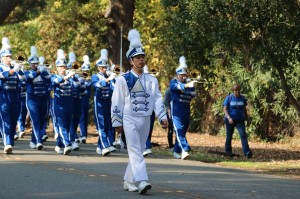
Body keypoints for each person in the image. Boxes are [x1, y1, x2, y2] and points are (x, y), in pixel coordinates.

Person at [111, 29, 168, 194]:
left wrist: (162, 116)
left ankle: (128, 180)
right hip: (129, 118)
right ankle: (142, 180)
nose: (141, 60)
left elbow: (157, 99)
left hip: (146, 119)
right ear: (131, 61)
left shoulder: (151, 80)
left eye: (143, 57)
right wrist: (117, 122)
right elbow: (117, 102)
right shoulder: (123, 80)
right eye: (138, 58)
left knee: (138, 150)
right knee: (135, 150)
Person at [51, 49, 80, 155]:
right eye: (61, 67)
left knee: (67, 126)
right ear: (57, 68)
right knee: (62, 125)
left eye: (64, 67)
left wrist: (75, 77)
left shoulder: (70, 78)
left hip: (69, 104)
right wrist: (66, 76)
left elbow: (77, 87)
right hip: (59, 104)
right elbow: (56, 82)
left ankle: (59, 145)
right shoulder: (54, 76)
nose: (63, 69)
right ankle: (67, 144)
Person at [0, 37, 25, 154]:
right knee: (6, 121)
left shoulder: (15, 68)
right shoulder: (1, 67)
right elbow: (3, 76)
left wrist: (19, 70)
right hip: (3, 97)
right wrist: (14, 69)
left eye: (10, 56)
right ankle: (7, 143)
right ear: (2, 57)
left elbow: (23, 80)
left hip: (15, 96)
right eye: (7, 57)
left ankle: (10, 142)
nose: (9, 58)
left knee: (13, 120)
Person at [24, 46, 51, 150]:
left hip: (43, 99)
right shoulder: (28, 72)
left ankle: (33, 140)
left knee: (41, 120)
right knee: (35, 119)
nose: (35, 65)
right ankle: (39, 141)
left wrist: (46, 72)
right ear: (30, 64)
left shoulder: (42, 72)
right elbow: (29, 78)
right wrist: (39, 72)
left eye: (36, 63)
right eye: (33, 63)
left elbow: (50, 81)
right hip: (32, 99)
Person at [170, 56, 197, 160]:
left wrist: (192, 85)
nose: (183, 77)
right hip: (176, 111)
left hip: (186, 111)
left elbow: (194, 95)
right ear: (177, 75)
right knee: (179, 130)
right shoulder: (174, 82)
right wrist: (186, 85)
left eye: (185, 75)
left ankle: (176, 151)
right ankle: (185, 150)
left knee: (182, 131)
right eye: (181, 75)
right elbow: (177, 87)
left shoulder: (188, 83)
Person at [92, 49, 117, 156]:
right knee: (101, 125)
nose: (104, 69)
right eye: (102, 67)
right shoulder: (95, 76)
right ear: (98, 67)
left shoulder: (109, 76)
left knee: (108, 124)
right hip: (99, 103)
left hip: (108, 102)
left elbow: (114, 88)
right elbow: (98, 85)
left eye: (105, 67)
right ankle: (105, 146)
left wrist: (115, 79)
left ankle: (100, 146)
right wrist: (108, 79)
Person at [223, 83, 253, 158]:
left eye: (239, 90)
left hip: (240, 120)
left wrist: (247, 119)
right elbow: (225, 109)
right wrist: (229, 118)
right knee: (229, 136)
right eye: (236, 90)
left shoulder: (242, 98)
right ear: (233, 91)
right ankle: (228, 152)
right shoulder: (229, 98)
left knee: (243, 135)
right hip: (230, 120)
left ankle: (247, 152)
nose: (237, 92)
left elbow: (244, 109)